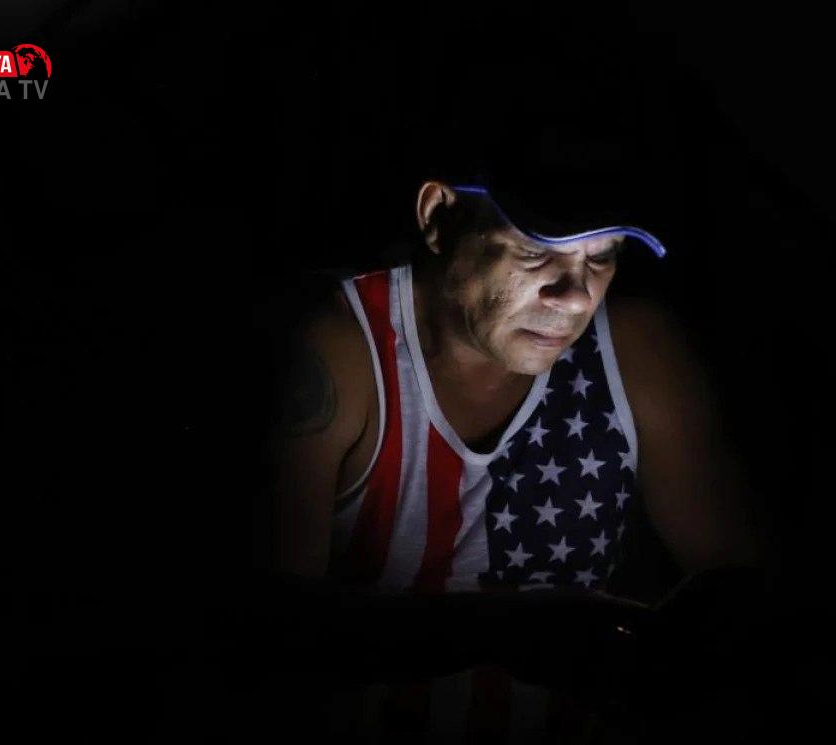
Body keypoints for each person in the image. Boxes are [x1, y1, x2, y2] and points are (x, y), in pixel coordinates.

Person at [257, 141, 770, 740]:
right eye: (535, 252)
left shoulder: (638, 349)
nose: (574, 295)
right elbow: (266, 625)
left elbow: (747, 590)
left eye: (602, 257)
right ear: (438, 217)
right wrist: (509, 631)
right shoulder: (336, 347)